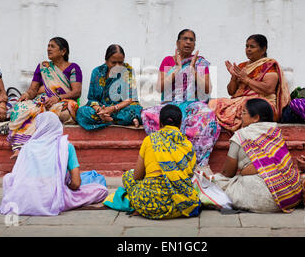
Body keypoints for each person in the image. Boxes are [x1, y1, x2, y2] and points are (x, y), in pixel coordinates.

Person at [0, 112, 108, 216]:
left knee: (8, 178)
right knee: (100, 187)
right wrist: (64, 186)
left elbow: (18, 176)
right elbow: (76, 183)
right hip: (53, 199)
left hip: (23, 198)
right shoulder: (65, 146)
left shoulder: (27, 146)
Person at [141, 29, 220, 167]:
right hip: (171, 103)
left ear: (195, 44)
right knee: (148, 113)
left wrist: (192, 70)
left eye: (191, 40)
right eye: (185, 39)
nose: (188, 42)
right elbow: (160, 87)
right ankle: (168, 156)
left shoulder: (200, 63)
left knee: (207, 115)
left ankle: (197, 162)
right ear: (177, 43)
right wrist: (177, 68)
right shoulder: (168, 60)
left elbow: (207, 89)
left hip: (193, 103)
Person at [211, 98, 302, 213]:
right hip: (290, 196)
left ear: (256, 118)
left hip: (265, 200)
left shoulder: (241, 135)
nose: (240, 116)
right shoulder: (275, 132)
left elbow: (227, 173)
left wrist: (212, 178)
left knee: (215, 183)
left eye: (244, 113)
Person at [7, 37, 82, 159]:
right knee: (21, 106)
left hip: (62, 102)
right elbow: (33, 90)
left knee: (68, 108)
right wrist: (26, 95)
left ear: (63, 51)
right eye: (48, 46)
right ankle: (20, 146)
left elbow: (76, 92)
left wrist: (58, 98)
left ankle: (34, 118)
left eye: (52, 46)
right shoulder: (43, 66)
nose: (48, 49)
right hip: (43, 102)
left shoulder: (73, 68)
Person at [122, 104, 201, 219]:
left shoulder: (149, 140)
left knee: (128, 175)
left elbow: (137, 176)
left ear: (160, 123)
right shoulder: (187, 145)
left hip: (147, 204)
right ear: (180, 124)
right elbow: (188, 175)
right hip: (177, 204)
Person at [208, 34, 291, 132]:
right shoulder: (242, 66)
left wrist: (246, 80)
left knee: (244, 106)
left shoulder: (268, 66)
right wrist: (234, 77)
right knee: (213, 103)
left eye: (252, 47)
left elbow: (269, 89)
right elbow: (231, 92)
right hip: (240, 100)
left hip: (263, 103)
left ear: (263, 49)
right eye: (247, 46)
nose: (248, 49)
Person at [76, 44, 142, 130]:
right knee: (82, 112)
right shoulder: (97, 72)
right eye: (113, 63)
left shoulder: (128, 71)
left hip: (121, 107)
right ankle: (113, 119)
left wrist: (113, 108)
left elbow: (130, 99)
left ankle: (108, 119)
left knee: (137, 110)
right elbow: (92, 99)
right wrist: (100, 110)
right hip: (101, 108)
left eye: (120, 62)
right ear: (106, 61)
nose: (117, 66)